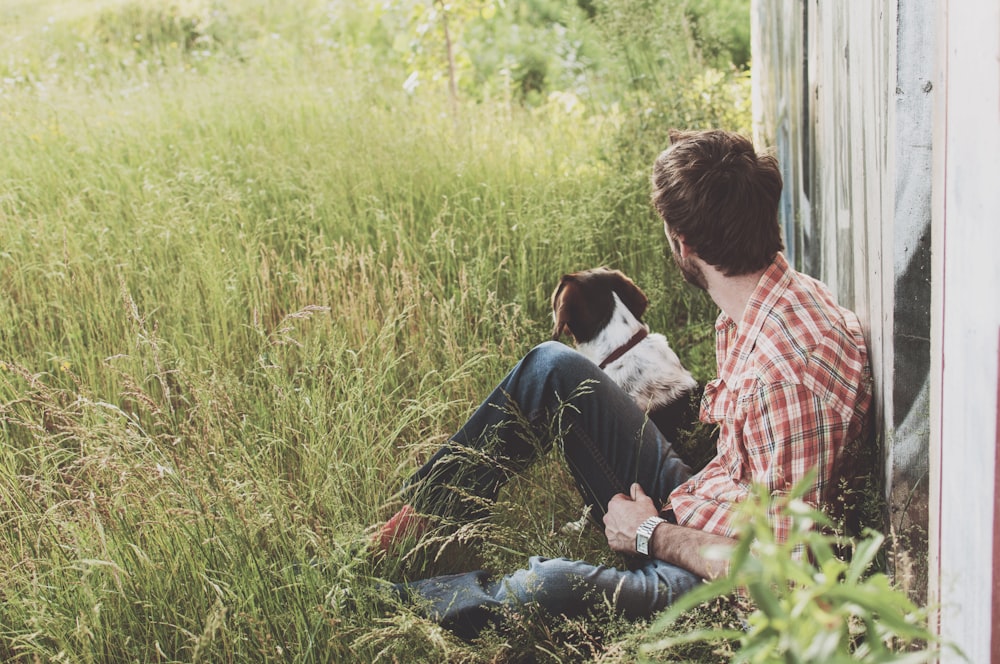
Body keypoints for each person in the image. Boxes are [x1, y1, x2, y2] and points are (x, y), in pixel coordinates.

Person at [371, 129, 873, 638]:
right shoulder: (768, 302)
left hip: (724, 585)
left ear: (684, 244)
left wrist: (651, 533)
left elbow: (779, 576)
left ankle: (380, 605)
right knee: (552, 367)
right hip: (714, 508)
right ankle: (411, 529)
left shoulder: (783, 374)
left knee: (546, 585)